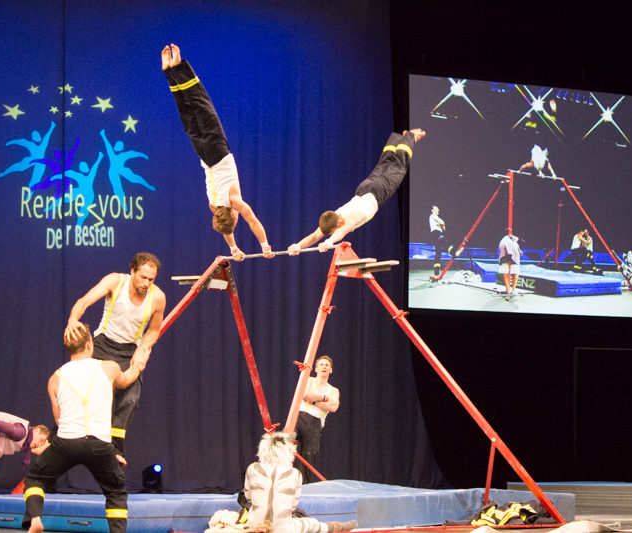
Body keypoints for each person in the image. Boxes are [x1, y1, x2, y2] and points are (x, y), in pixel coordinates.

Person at [22, 323, 146, 533]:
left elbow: (59, 421)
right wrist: (138, 365)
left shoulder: (55, 379)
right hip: (100, 445)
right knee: (115, 492)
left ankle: (35, 518)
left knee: (35, 479)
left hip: (67, 443)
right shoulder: (109, 367)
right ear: (90, 344)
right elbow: (126, 382)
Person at [162, 44, 274, 261]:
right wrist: (234, 249)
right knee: (186, 112)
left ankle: (178, 66)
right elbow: (225, 227)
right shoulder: (213, 206)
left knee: (200, 103)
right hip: (202, 153)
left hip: (217, 150)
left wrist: (265, 246)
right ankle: (169, 72)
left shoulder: (235, 201)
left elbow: (252, 221)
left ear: (233, 215)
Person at [63, 252, 166, 459]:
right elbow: (84, 301)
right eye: (143, 277)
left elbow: (154, 330)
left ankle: (115, 450)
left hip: (130, 350)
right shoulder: (115, 282)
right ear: (132, 272)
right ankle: (68, 438)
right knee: (86, 392)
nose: (146, 283)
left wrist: (143, 349)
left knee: (130, 399)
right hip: (103, 344)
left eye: (151, 279)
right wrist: (73, 319)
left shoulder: (157, 297)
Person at [287, 129, 427, 255]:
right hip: (363, 189)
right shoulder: (333, 217)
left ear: (339, 221)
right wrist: (297, 246)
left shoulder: (352, 217)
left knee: (398, 167)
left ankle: (410, 136)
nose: (334, 232)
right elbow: (314, 236)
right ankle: (397, 138)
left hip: (377, 192)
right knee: (383, 164)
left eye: (334, 231)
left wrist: (330, 242)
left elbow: (343, 230)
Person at [241, 432, 355, 533]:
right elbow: (293, 506)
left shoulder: (252, 468)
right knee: (312, 523)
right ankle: (337, 527)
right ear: (289, 452)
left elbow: (248, 497)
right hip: (283, 529)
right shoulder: (294, 474)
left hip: (255, 525)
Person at [294, 356, 340, 483]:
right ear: (316, 369)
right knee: (286, 445)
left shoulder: (333, 390)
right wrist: (324, 398)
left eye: (327, 365)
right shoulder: (309, 380)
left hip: (315, 423)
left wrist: (313, 401)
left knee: (309, 456)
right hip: (299, 418)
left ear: (331, 370)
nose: (324, 367)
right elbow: (305, 394)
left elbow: (333, 406)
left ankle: (305, 486)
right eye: (321, 365)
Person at [429, 205, 448, 276]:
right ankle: (454, 252)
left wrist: (441, 224)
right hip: (435, 233)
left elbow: (444, 229)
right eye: (436, 209)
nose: (438, 210)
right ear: (432, 210)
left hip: (438, 233)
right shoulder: (432, 216)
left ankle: (436, 273)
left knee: (438, 252)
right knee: (445, 242)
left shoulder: (436, 218)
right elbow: (442, 222)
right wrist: (441, 224)